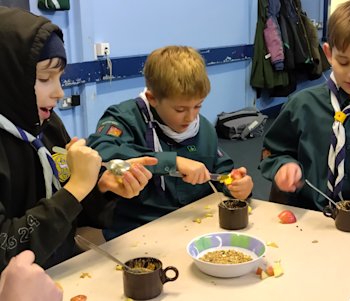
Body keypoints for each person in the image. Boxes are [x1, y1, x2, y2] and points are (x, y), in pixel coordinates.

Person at [0, 6, 156, 271]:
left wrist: (100, 187)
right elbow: (6, 250)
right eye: (44, 78)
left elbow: (70, 210)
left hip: (63, 270)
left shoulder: (47, 126)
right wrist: (78, 187)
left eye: (60, 78)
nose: (59, 92)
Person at [87, 45, 254, 240]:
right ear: (153, 98)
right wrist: (172, 162)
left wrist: (238, 185)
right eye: (180, 109)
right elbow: (100, 152)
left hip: (194, 225)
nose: (191, 117)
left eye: (198, 106)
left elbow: (221, 171)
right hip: (138, 229)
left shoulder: (204, 128)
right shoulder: (124, 118)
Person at [260, 0, 350, 226]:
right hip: (307, 222)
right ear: (328, 53)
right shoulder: (301, 105)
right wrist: (283, 167)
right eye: (343, 62)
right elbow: (272, 152)